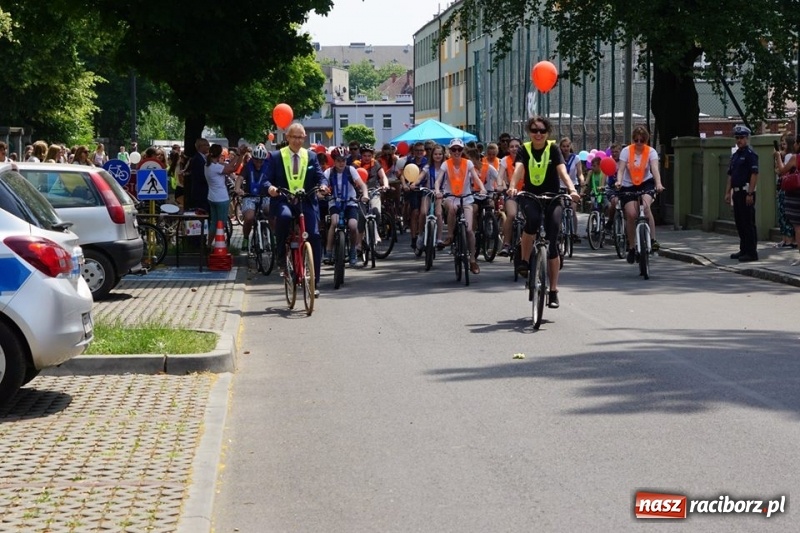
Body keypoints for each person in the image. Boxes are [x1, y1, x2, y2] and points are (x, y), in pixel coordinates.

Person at [506, 116, 581, 309]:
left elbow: (563, 172)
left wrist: (572, 190)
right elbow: (519, 169)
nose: (538, 134)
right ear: (529, 132)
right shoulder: (525, 149)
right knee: (531, 220)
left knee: (554, 235)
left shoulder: (553, 149)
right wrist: (513, 186)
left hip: (552, 196)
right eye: (534, 130)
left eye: (541, 130)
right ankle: (523, 260)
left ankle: (553, 291)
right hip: (531, 195)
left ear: (547, 133)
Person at [263, 123, 329, 295]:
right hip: (283, 199)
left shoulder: (311, 157)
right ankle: (281, 256)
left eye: (301, 137)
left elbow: (321, 177)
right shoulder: (276, 156)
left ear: (305, 138)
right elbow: (265, 180)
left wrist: (322, 185)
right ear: (287, 137)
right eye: (294, 137)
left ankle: (314, 282)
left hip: (305, 201)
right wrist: (271, 188)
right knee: (284, 217)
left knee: (314, 235)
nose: (298, 140)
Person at [435, 138, 486, 275]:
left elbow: (476, 178)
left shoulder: (468, 163)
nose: (456, 152)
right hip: (451, 197)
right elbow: (439, 180)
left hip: (466, 198)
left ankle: (473, 260)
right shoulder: (446, 164)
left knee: (469, 230)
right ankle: (451, 236)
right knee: (451, 208)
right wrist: (438, 191)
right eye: (453, 149)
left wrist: (482, 188)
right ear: (450, 151)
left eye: (459, 149)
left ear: (462, 150)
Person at [615, 126, 665, 263]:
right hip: (627, 185)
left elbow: (655, 169)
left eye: (641, 140)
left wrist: (658, 184)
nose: (638, 142)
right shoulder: (626, 151)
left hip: (645, 183)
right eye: (636, 140)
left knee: (646, 207)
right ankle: (631, 247)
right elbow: (621, 169)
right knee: (631, 214)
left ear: (646, 140)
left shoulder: (651, 152)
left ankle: (653, 240)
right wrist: (619, 181)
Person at [323, 148, 368, 267]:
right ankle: (329, 251)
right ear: (334, 161)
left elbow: (362, 185)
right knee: (334, 222)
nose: (341, 163)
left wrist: (365, 195)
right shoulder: (328, 172)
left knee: (353, 225)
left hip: (350, 202)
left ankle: (353, 250)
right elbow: (322, 187)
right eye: (338, 160)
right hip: (335, 202)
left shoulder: (351, 170)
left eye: (343, 160)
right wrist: (321, 193)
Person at [724, 125, 759, 262]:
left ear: (747, 138)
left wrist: (750, 193)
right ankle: (743, 249)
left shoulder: (751, 155)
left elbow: (754, 174)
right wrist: (728, 192)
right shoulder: (735, 156)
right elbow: (730, 176)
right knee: (739, 223)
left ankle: (751, 252)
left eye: (741, 138)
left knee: (748, 223)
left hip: (746, 193)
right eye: (737, 138)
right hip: (737, 192)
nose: (739, 140)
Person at [235, 144, 271, 253]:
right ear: (253, 159)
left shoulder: (269, 166)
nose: (259, 163)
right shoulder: (247, 166)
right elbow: (240, 179)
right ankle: (246, 238)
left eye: (261, 161)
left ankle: (272, 236)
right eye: (256, 161)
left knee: (270, 212)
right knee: (249, 217)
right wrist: (238, 189)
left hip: (264, 196)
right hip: (249, 196)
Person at [204, 144, 240, 247]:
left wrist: (237, 156)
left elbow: (228, 166)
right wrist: (239, 156)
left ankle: (209, 244)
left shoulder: (207, 165)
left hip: (211, 197)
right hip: (221, 198)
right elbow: (233, 168)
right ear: (220, 154)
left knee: (214, 223)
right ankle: (220, 246)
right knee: (221, 224)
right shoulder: (216, 168)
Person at [774, 135, 800, 265]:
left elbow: (782, 171)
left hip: (796, 194)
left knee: (798, 226)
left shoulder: (796, 158)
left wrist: (778, 157)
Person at [399, 141, 428, 250]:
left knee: (423, 213)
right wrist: (404, 185)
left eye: (421, 150)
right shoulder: (410, 161)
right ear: (413, 152)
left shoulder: (427, 162)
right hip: (413, 190)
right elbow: (403, 174)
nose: (419, 152)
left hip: (424, 190)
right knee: (415, 213)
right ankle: (413, 238)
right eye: (417, 150)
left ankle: (423, 234)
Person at [497, 136, 523, 256]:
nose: (514, 149)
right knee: (511, 214)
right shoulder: (505, 160)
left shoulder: (526, 159)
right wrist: (499, 185)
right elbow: (500, 174)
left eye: (517, 146)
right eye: (511, 147)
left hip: (526, 192)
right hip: (511, 192)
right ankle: (506, 244)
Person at [559, 137, 584, 243]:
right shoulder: (558, 158)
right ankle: (560, 231)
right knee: (560, 208)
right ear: (560, 147)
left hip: (572, 186)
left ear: (570, 146)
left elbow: (580, 173)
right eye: (563, 146)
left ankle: (574, 232)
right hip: (560, 186)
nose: (566, 148)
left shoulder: (576, 158)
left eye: (567, 146)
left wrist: (582, 181)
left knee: (572, 209)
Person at [187, 138, 211, 212]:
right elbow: (200, 176)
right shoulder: (197, 159)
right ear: (200, 146)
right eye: (206, 145)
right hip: (200, 193)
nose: (208, 147)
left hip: (203, 192)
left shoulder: (204, 158)